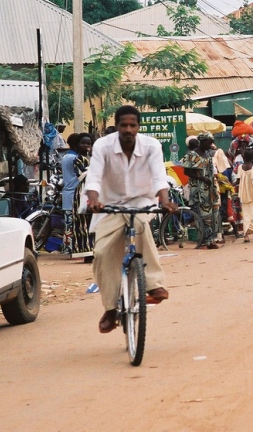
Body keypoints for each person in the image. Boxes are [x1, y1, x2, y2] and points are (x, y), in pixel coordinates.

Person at [85, 105, 178, 334]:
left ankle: (155, 285)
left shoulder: (151, 146)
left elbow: (159, 177)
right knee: (103, 253)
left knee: (140, 226)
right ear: (116, 126)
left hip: (141, 202)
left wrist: (164, 200)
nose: (128, 129)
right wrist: (94, 200)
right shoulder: (102, 146)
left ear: (138, 127)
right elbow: (94, 178)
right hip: (109, 204)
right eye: (123, 125)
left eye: (132, 125)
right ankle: (109, 309)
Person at [182, 133, 221, 249]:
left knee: (214, 213)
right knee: (202, 215)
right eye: (209, 142)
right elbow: (186, 172)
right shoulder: (192, 155)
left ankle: (212, 240)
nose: (211, 144)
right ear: (202, 141)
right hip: (199, 189)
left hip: (210, 188)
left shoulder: (208, 154)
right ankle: (203, 241)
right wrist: (201, 178)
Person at [71, 133, 94, 261]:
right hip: (82, 193)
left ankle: (94, 251)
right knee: (82, 222)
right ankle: (85, 253)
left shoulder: (94, 158)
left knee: (94, 221)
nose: (86, 146)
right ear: (77, 145)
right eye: (84, 143)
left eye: (89, 144)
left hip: (95, 191)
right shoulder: (78, 159)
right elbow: (81, 174)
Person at [60, 133, 82, 255]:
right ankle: (70, 249)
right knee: (71, 224)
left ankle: (68, 248)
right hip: (73, 193)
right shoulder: (74, 158)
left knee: (68, 224)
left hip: (68, 193)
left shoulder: (66, 157)